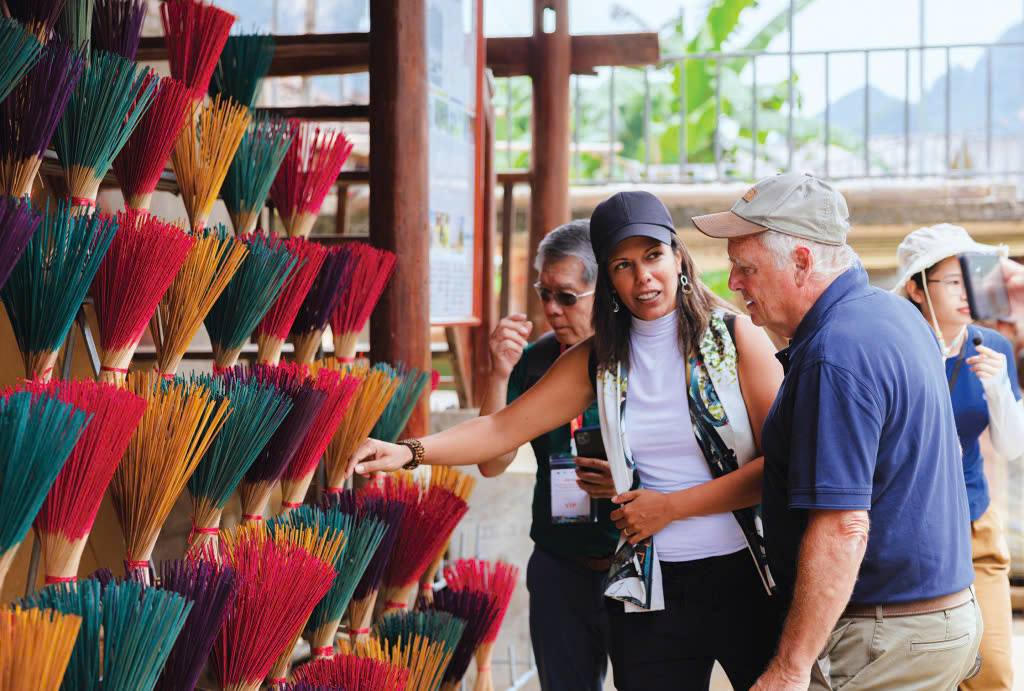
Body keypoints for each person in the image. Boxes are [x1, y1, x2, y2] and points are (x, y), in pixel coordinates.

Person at [349, 191, 785, 690]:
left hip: (746, 578)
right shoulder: (597, 361)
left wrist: (671, 508)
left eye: (653, 256)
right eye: (623, 264)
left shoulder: (735, 338)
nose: (643, 277)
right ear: (609, 279)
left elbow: (780, 467)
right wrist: (410, 452)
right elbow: (501, 428)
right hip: (651, 588)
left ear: (677, 256)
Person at [691, 172, 982, 691]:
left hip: (884, 636)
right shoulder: (891, 314)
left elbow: (844, 526)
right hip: (930, 622)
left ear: (801, 262)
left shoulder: (837, 352)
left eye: (745, 267)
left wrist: (789, 667)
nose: (733, 283)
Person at [476, 220, 618, 691]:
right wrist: (498, 373)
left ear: (604, 291)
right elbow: (492, 462)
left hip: (632, 562)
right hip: (560, 566)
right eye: (544, 294)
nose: (552, 310)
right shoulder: (534, 362)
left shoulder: (641, 357)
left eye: (567, 296)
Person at [893, 223, 1024, 691]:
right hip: (905, 529)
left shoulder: (995, 347)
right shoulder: (891, 350)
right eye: (953, 280)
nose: (968, 291)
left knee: (991, 668)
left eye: (975, 277)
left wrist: (995, 386)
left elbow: (1011, 447)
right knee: (918, 669)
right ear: (915, 287)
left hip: (973, 521)